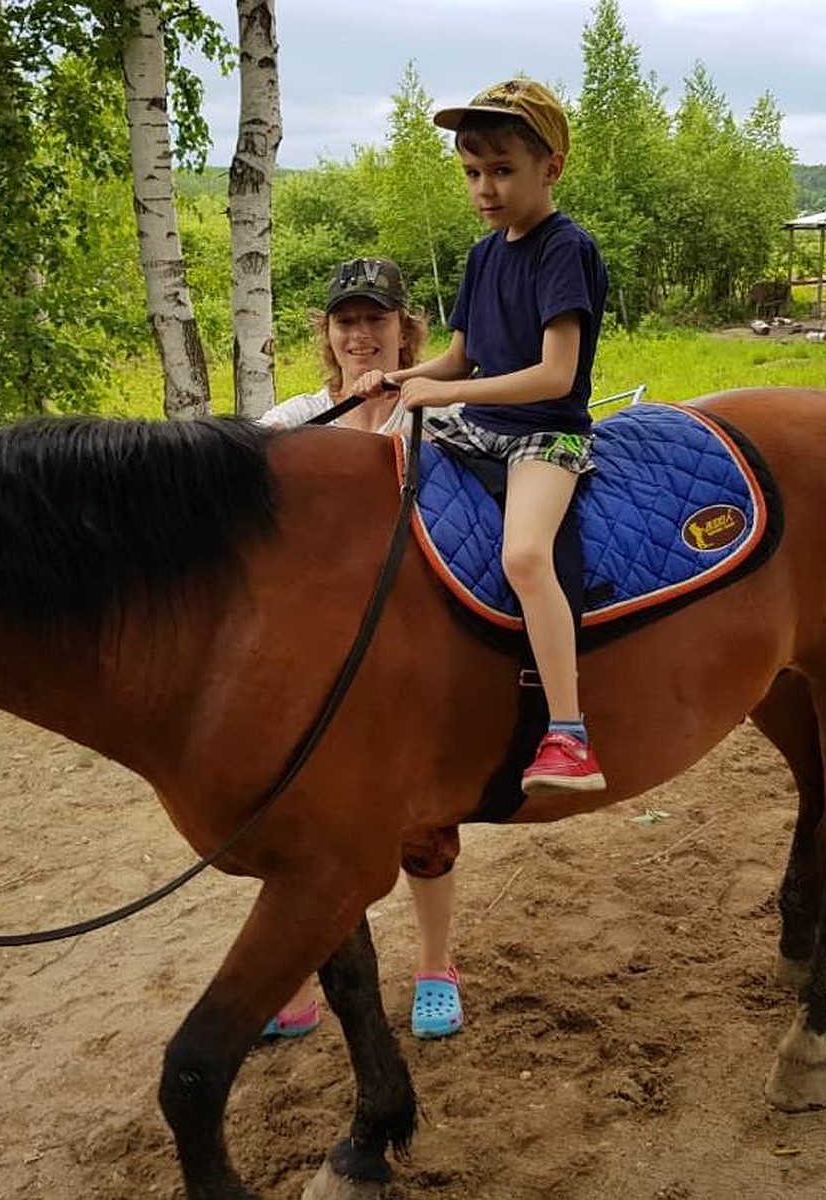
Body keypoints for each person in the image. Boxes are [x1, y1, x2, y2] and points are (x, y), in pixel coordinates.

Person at [353, 79, 609, 796]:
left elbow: (555, 376)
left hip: (544, 436)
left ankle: (569, 731)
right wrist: (401, 377)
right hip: (480, 428)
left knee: (526, 555)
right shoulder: (483, 253)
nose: (484, 189)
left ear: (550, 168)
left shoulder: (567, 250)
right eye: (472, 173)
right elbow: (459, 357)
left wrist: (449, 392)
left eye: (501, 171)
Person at [258, 257, 464, 1041]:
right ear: (329, 334)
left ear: (406, 331)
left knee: (423, 824)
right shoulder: (292, 419)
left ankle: (437, 966)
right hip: (312, 670)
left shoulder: (440, 415)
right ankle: (302, 983)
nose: (360, 336)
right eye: (347, 322)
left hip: (412, 661)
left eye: (376, 321)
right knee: (304, 829)